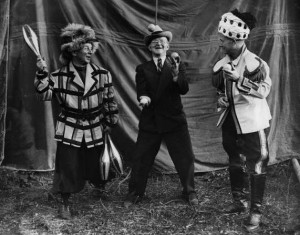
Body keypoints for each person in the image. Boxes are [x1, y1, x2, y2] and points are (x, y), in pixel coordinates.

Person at [34, 23, 119, 219]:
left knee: (95, 162)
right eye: (85, 48)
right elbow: (44, 94)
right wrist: (41, 73)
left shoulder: (102, 74)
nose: (89, 52)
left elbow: (109, 99)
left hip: (95, 126)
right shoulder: (58, 76)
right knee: (68, 165)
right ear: (74, 51)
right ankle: (65, 202)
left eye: (91, 48)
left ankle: (99, 187)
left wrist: (110, 121)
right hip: (69, 127)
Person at [124, 24, 198, 208]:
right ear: (149, 48)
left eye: (162, 42)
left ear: (167, 47)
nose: (158, 44)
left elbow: (184, 89)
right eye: (154, 42)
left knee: (184, 157)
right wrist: (144, 98)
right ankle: (134, 193)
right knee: (141, 158)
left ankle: (189, 192)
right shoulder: (142, 69)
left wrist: (175, 77)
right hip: (151, 120)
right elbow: (142, 90)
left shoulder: (176, 64)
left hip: (174, 120)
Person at [212, 9, 272, 232]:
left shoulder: (256, 64)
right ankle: (240, 202)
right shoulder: (220, 65)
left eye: (224, 39)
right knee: (234, 161)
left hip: (253, 122)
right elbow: (220, 91)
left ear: (236, 40)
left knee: (256, 163)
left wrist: (240, 80)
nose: (221, 42)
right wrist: (222, 100)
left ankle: (255, 212)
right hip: (231, 122)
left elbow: (264, 91)